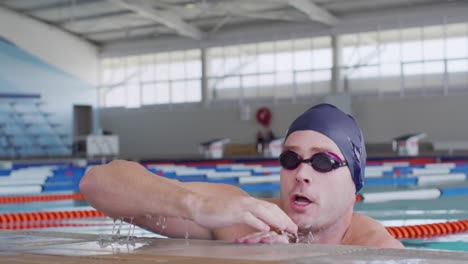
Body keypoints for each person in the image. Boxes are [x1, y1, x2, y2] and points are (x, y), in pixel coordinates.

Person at [79, 103, 403, 248]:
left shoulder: (374, 249)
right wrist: (196, 206)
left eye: (323, 162)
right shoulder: (241, 215)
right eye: (290, 158)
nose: (302, 173)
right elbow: (97, 182)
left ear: (355, 182)